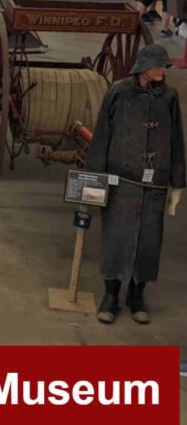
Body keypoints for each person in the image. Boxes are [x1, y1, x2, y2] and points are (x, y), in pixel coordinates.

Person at [85, 44, 185, 325]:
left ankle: (136, 294)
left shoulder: (169, 97)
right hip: (121, 182)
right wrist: (95, 179)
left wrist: (177, 184)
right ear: (142, 67)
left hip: (154, 186)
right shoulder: (118, 92)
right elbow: (102, 135)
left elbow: (177, 139)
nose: (162, 71)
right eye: (157, 67)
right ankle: (111, 295)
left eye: (164, 67)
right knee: (116, 239)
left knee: (149, 242)